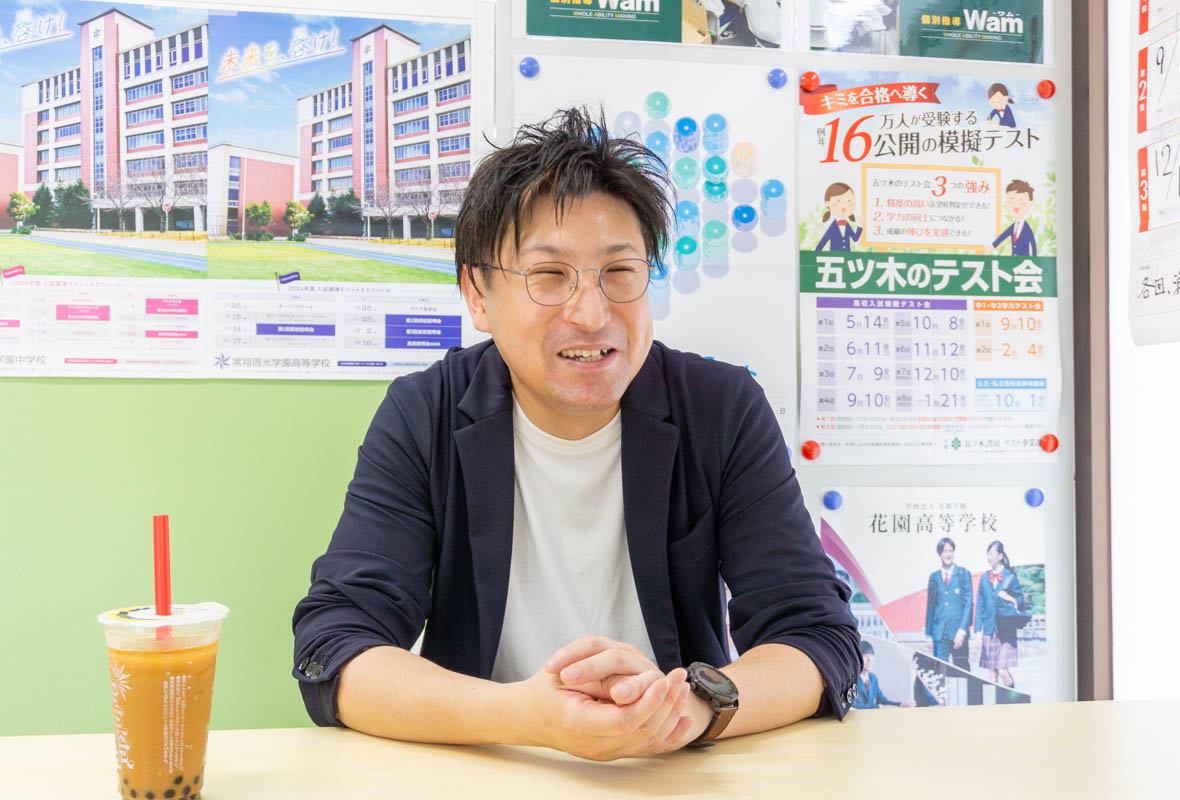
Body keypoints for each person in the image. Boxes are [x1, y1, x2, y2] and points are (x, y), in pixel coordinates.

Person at [291, 107, 861, 763]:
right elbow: (335, 647)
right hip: (490, 768)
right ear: (477, 294)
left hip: (673, 775)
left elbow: (817, 636)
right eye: (550, 276)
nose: (592, 314)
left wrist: (687, 709)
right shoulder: (427, 413)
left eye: (619, 272)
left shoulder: (720, 410)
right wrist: (524, 718)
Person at [975, 540, 1023, 688]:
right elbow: (979, 607)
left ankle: (1012, 695)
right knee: (992, 672)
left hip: (1006, 629)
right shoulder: (984, 578)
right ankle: (995, 701)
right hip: (989, 629)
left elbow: (1020, 600)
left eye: (992, 554)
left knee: (1002, 670)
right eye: (988, 554)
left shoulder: (1010, 577)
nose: (989, 557)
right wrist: (977, 632)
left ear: (1000, 556)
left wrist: (1009, 598)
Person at [924, 537, 972, 670]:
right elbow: (931, 607)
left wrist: (962, 630)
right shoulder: (934, 577)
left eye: (950, 551)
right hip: (939, 633)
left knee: (963, 671)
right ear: (940, 554)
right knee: (939, 671)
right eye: (945, 551)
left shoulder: (963, 574)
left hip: (958, 633)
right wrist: (928, 634)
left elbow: (968, 604)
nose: (948, 554)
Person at [853, 641, 914, 708]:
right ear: (857, 658)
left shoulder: (873, 678)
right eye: (865, 656)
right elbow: (856, 706)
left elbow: (882, 700)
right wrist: (880, 707)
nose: (869, 659)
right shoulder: (853, 680)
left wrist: (901, 705)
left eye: (871, 655)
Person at [990, 180, 1038, 257]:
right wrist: (992, 246)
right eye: (1011, 199)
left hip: (1024, 260)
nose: (1016, 204)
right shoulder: (1014, 226)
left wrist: (1035, 259)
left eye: (1021, 200)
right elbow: (1003, 236)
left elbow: (1033, 244)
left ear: (1029, 203)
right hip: (1013, 259)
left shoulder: (1027, 228)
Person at [814, 182, 862, 251]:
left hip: (847, 256)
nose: (844, 205)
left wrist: (860, 225)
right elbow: (823, 241)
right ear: (828, 203)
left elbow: (855, 238)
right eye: (838, 201)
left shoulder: (847, 225)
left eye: (849, 201)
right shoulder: (833, 226)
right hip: (835, 256)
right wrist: (815, 254)